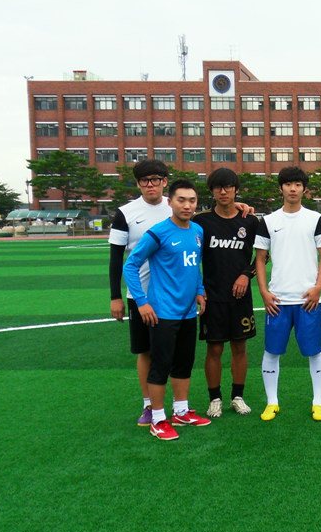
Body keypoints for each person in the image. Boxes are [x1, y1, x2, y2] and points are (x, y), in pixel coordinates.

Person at [123, 179, 212, 440]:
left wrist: (199, 290)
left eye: (192, 200)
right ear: (170, 202)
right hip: (162, 312)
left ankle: (181, 411)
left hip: (188, 312)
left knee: (184, 363)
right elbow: (131, 265)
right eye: (181, 200)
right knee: (160, 365)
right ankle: (158, 418)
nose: (187, 205)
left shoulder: (197, 230)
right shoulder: (158, 233)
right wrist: (142, 302)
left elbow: (194, 264)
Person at [254, 166, 321, 422]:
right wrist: (264, 292)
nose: (293, 189)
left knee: (314, 351)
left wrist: (318, 288)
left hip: (308, 300)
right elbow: (260, 259)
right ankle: (272, 402)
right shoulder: (268, 221)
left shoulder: (315, 219)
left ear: (304, 189)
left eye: (298, 184)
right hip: (278, 300)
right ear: (281, 188)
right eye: (288, 184)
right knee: (271, 352)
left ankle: (318, 402)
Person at [108, 158, 172, 427]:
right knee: (145, 351)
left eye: (155, 179)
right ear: (137, 184)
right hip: (139, 296)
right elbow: (116, 258)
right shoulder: (126, 213)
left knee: (172, 351)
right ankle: (148, 405)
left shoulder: (176, 205)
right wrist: (115, 296)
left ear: (164, 181)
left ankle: (179, 405)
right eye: (144, 181)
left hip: (171, 296)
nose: (150, 185)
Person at [194, 168, 259, 417]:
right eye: (218, 187)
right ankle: (215, 399)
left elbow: (263, 255)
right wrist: (199, 289)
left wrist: (246, 275)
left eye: (228, 186)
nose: (223, 191)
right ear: (211, 191)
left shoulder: (250, 221)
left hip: (241, 298)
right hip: (212, 297)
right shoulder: (201, 222)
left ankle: (237, 397)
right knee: (214, 349)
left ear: (236, 189)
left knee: (240, 347)